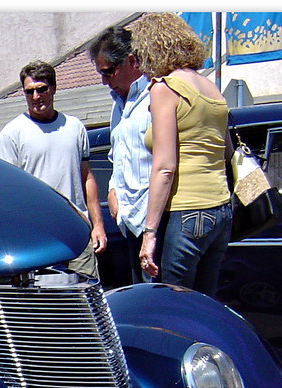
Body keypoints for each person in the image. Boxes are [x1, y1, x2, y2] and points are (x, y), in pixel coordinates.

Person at [132, 12, 233, 295]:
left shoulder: (166, 89)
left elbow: (165, 167)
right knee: (204, 304)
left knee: (172, 304)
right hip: (220, 209)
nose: (141, 65)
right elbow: (226, 151)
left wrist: (149, 234)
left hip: (186, 211)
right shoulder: (211, 89)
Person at [0, 60, 106, 278]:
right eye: (29, 91)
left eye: (42, 89)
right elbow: (5, 193)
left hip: (77, 232)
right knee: (43, 306)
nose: (36, 97)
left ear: (53, 88)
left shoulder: (74, 127)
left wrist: (97, 225)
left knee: (84, 301)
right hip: (35, 237)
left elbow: (87, 179)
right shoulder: (12, 133)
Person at [90, 25, 152, 284]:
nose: (105, 81)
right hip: (129, 223)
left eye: (108, 72)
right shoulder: (118, 106)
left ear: (130, 62)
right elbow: (117, 157)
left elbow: (165, 164)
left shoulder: (155, 97)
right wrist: (113, 190)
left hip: (154, 222)